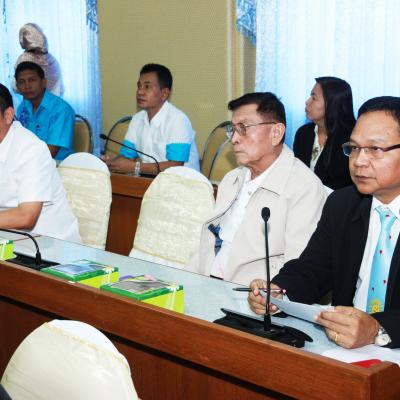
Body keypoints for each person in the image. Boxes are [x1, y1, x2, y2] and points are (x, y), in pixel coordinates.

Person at [249, 96, 400, 349]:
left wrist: (378, 327)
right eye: (354, 148)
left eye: (374, 149)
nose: (359, 161)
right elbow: (313, 269)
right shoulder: (343, 204)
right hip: (344, 348)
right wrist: (278, 292)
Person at [187, 92, 327, 285]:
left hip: (251, 294)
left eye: (243, 128)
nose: (234, 138)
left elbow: (298, 267)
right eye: (233, 129)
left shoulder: (304, 189)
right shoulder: (232, 179)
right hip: (205, 283)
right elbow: (206, 243)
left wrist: (264, 292)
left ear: (276, 133)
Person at [0, 83, 81, 242]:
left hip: (49, 247)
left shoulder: (31, 149)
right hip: (9, 241)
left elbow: (26, 217)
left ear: (8, 115)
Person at [103, 63, 199, 175]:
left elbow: (175, 166)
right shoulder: (137, 119)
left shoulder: (177, 120)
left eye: (147, 87)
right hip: (150, 181)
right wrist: (110, 163)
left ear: (164, 94)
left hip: (183, 182)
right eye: (139, 86)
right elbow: (127, 157)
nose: (140, 92)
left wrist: (136, 167)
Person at [293, 76, 355, 190]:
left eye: (314, 98)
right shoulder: (304, 133)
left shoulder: (351, 140)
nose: (307, 102)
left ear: (332, 103)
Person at [15, 61, 75, 161]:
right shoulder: (22, 107)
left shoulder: (61, 110)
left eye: (32, 80)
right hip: (28, 162)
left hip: (58, 165)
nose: (27, 86)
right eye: (21, 82)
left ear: (44, 82)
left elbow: (50, 152)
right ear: (17, 87)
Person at [14, 23, 64, 96]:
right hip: (54, 101)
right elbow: (60, 89)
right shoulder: (52, 59)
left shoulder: (23, 59)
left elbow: (16, 87)